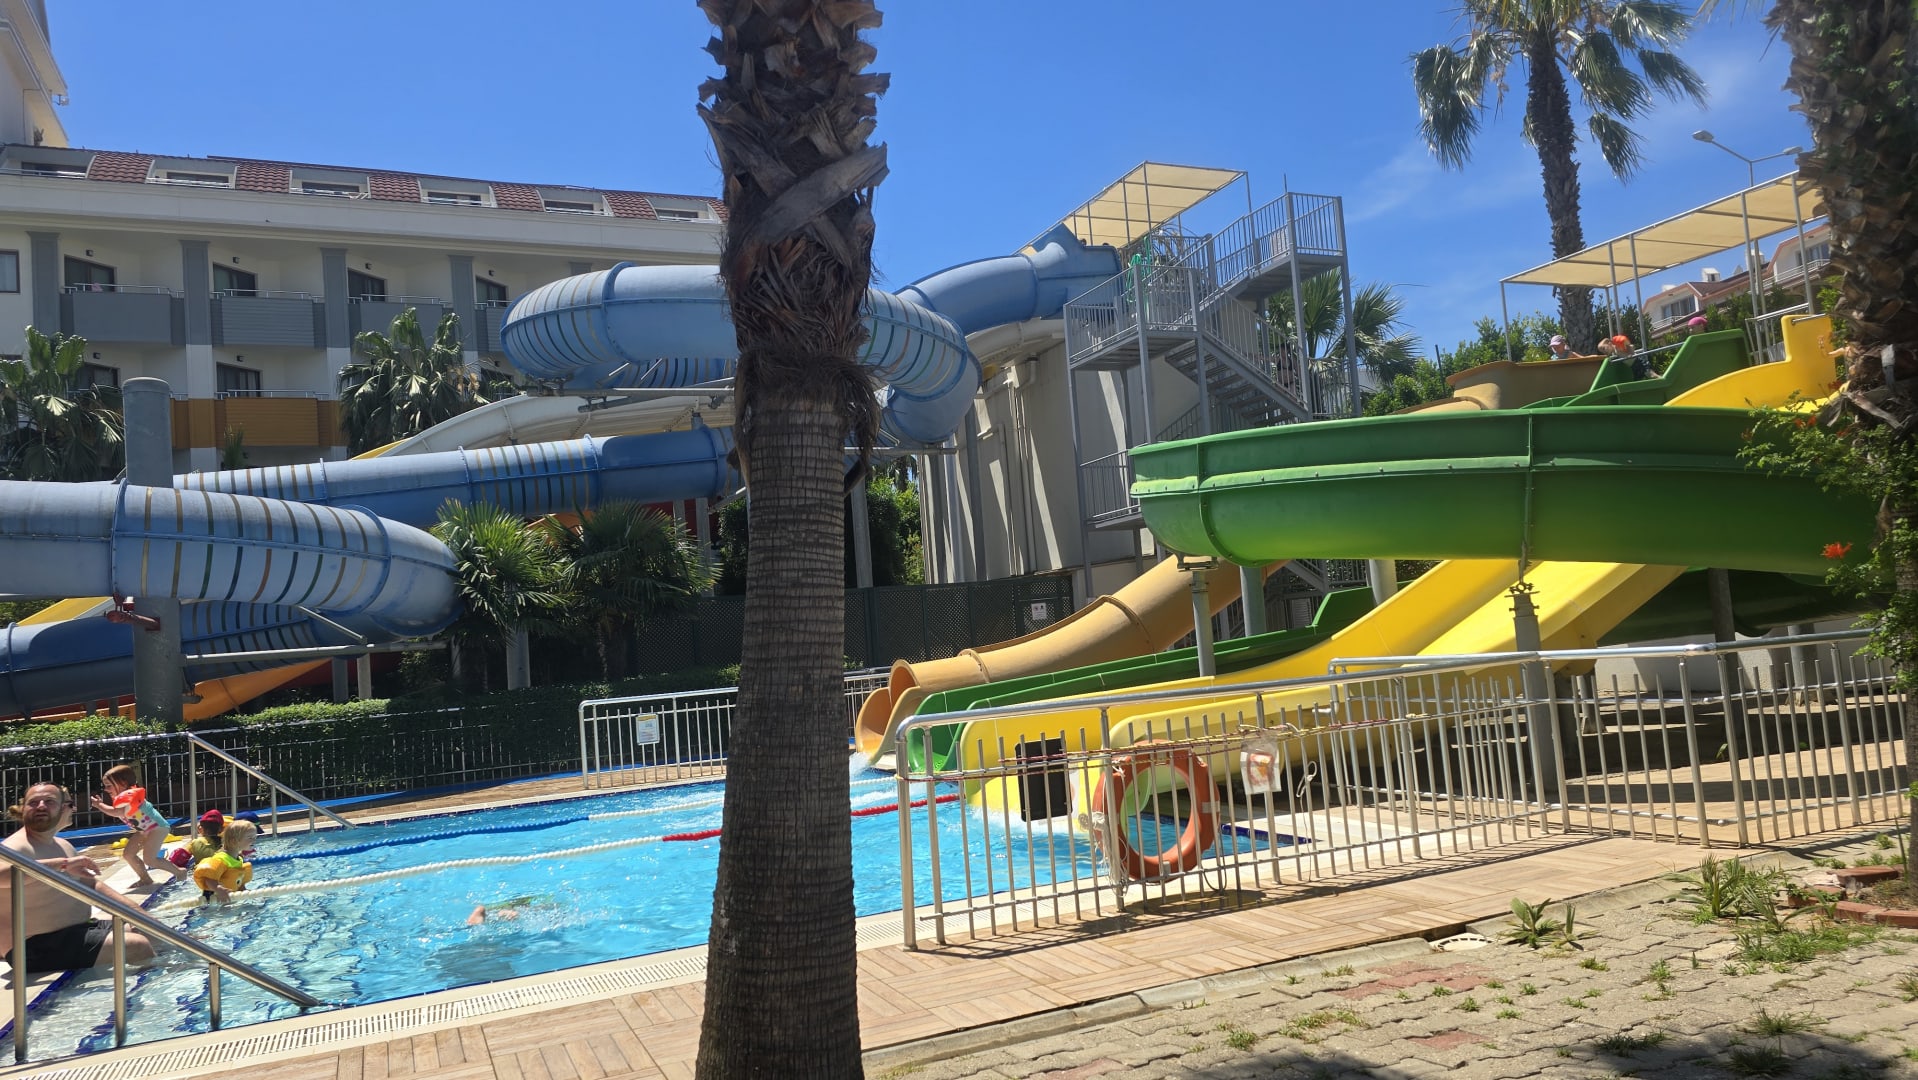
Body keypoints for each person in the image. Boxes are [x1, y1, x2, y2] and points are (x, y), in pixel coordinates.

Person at [1, 782, 157, 973]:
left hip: (75, 931)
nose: (41, 806)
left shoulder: (62, 845)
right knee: (137, 946)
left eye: (49, 801)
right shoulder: (14, 847)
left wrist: (141, 916)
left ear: (61, 808)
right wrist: (62, 864)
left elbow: (92, 886)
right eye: (33, 802)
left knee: (150, 932)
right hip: (33, 946)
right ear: (23, 808)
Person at [88, 764, 184, 887]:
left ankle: (179, 872)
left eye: (109, 786)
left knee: (150, 859)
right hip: (144, 830)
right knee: (128, 854)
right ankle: (145, 879)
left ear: (123, 783)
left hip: (157, 828)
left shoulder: (129, 796)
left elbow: (117, 812)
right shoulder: (122, 797)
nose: (106, 789)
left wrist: (99, 805)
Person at [192, 818, 256, 904]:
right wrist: (219, 889)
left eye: (254, 837)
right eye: (250, 838)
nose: (254, 840)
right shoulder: (221, 859)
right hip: (213, 903)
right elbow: (208, 878)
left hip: (227, 901)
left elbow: (237, 881)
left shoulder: (238, 859)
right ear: (234, 840)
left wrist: (245, 891)